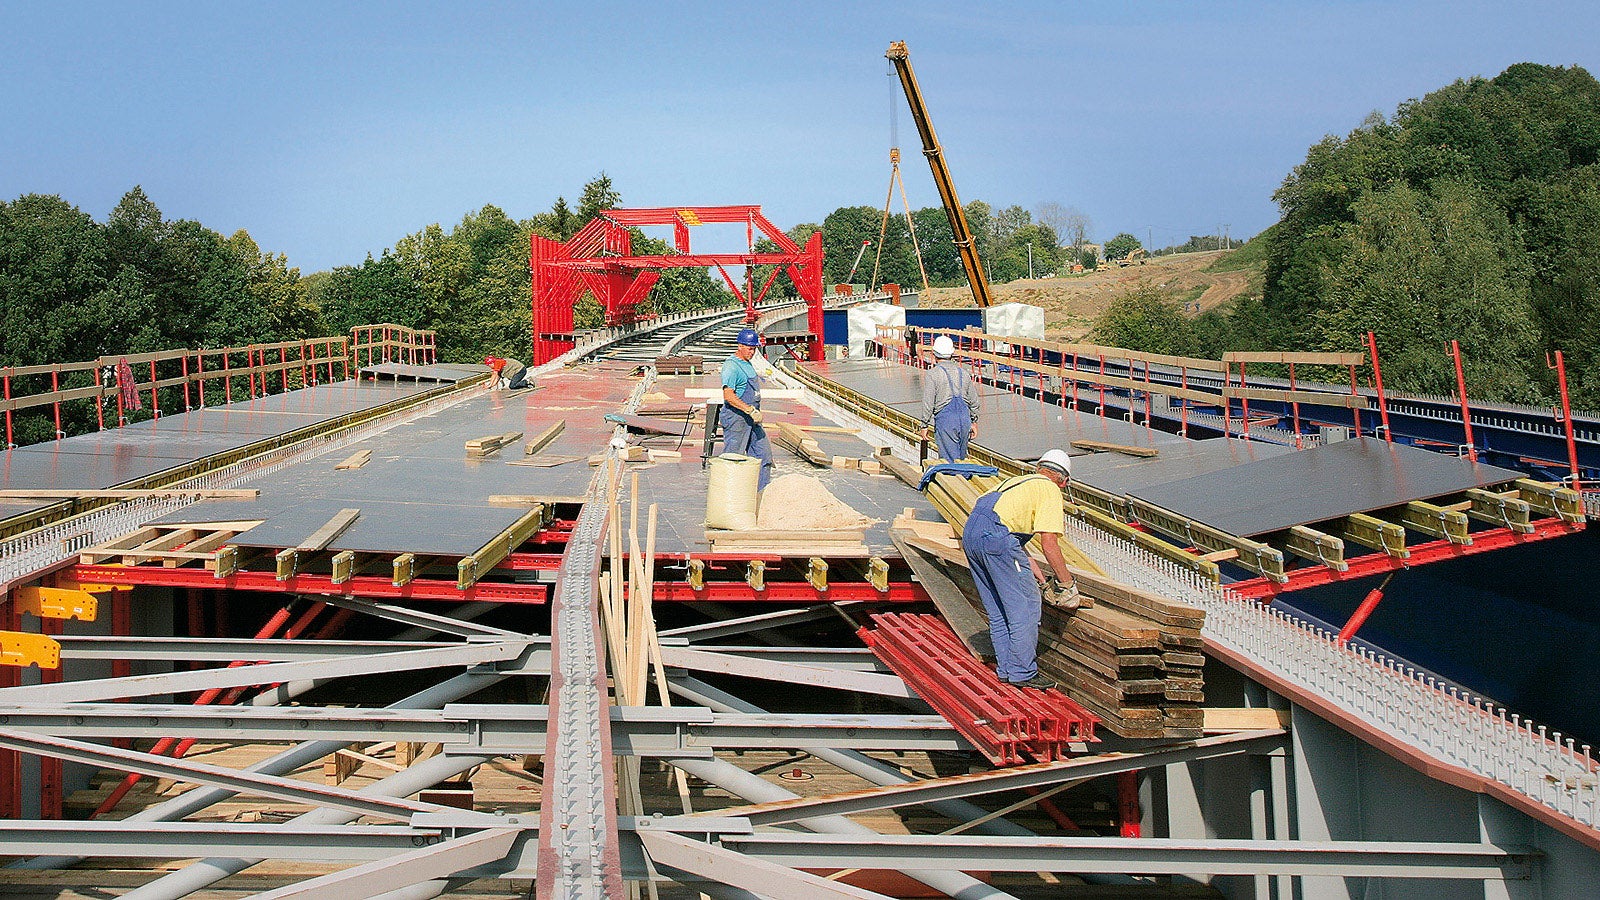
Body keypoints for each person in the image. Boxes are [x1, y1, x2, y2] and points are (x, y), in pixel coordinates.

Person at [961, 449, 1078, 689]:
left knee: (999, 608)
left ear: (1040, 468)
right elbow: (1049, 544)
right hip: (997, 538)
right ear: (1063, 481)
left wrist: (1042, 580)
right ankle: (1022, 672)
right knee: (1026, 606)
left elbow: (1016, 547)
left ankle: (1007, 669)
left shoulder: (1015, 482)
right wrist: (1066, 584)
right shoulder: (1050, 490)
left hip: (973, 535)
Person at [719, 328, 774, 489]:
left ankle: (759, 495)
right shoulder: (731, 366)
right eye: (749, 348)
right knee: (733, 459)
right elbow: (728, 395)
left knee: (763, 456)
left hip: (752, 418)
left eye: (754, 348)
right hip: (737, 419)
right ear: (740, 346)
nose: (752, 352)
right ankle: (728, 497)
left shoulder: (747, 363)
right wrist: (749, 410)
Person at [920, 335, 979, 462]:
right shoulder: (963, 373)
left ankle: (955, 480)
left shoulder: (933, 374)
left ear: (934, 354)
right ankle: (964, 479)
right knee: (961, 459)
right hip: (964, 419)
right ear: (952, 354)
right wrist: (973, 422)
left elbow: (928, 403)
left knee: (949, 462)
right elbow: (974, 401)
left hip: (946, 420)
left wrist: (924, 425)